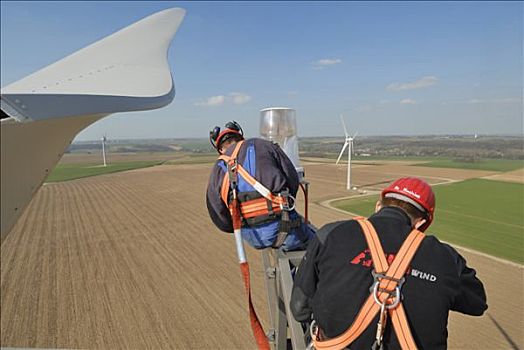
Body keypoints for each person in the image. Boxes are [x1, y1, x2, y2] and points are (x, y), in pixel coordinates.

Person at [290, 177, 487, 349]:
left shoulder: (331, 234)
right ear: (421, 224)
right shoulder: (446, 258)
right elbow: (477, 303)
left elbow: (300, 307)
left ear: (378, 206)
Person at [206, 121, 315, 251]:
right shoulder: (262, 145)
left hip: (252, 237)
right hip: (285, 226)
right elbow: (291, 177)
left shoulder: (217, 169)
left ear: (220, 149)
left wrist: (242, 224)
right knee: (320, 246)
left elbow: (218, 213)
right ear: (240, 137)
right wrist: (285, 203)